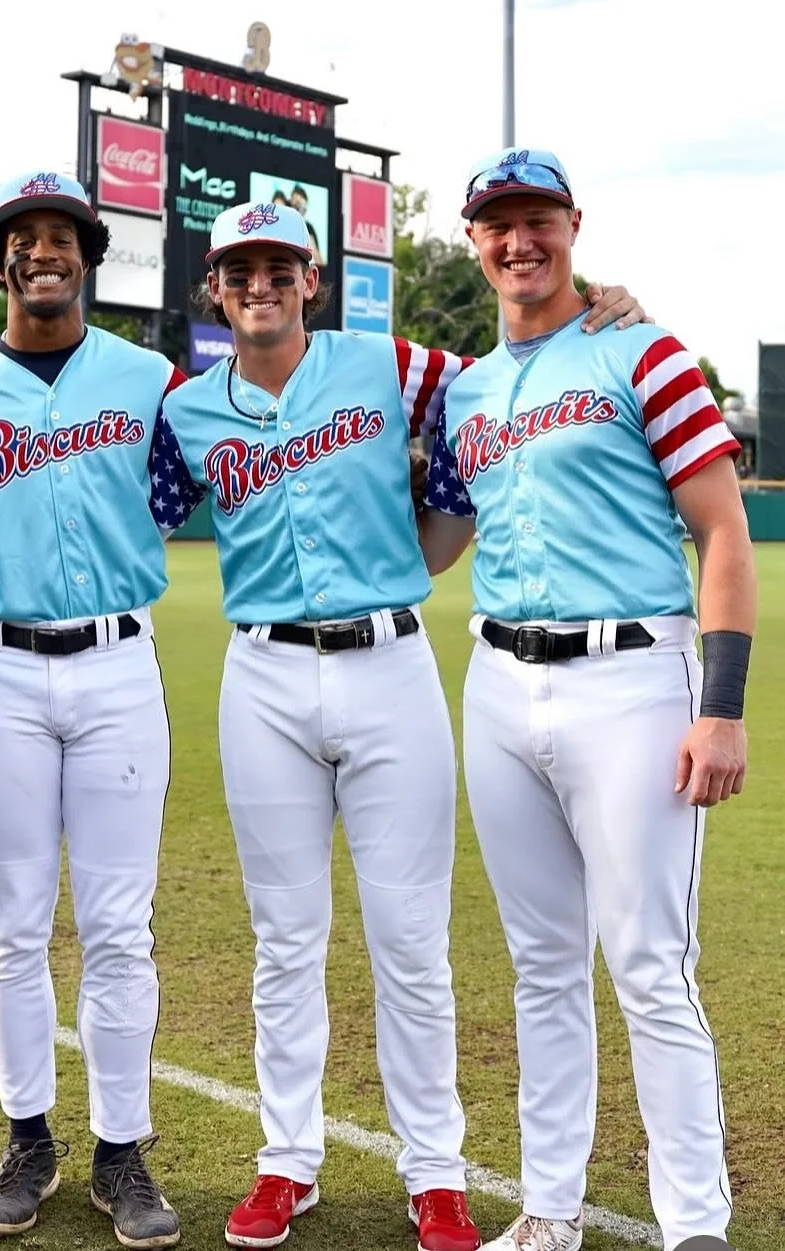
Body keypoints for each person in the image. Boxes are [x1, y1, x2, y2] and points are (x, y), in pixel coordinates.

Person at [156, 200, 644, 1251]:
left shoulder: (390, 364)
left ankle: (436, 1173)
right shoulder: (189, 408)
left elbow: (506, 384)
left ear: (311, 280)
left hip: (389, 669)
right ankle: (288, 1160)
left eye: (279, 266)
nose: (260, 284)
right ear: (216, 287)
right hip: (264, 677)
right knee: (285, 940)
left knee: (411, 942)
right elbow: (127, 500)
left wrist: (596, 310)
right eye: (240, 269)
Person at [418, 148, 753, 1251]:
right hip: (502, 684)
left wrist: (723, 704)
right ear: (472, 242)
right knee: (542, 964)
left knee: (650, 964)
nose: (518, 241)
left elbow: (721, 533)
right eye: (496, 224)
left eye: (536, 220)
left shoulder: (641, 351)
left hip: (632, 681)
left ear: (573, 224)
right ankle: (550, 1211)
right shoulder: (465, 389)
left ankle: (693, 1224)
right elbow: (444, 533)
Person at [0, 170, 199, 1250]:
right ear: (1, 261)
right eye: (23, 238)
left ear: (86, 254)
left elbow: (193, 480)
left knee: (120, 928)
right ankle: (28, 1141)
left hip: (120, 664)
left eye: (62, 236)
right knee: (12, 926)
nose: (44, 253)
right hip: (5, 675)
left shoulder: (148, 380)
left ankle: (124, 1155)